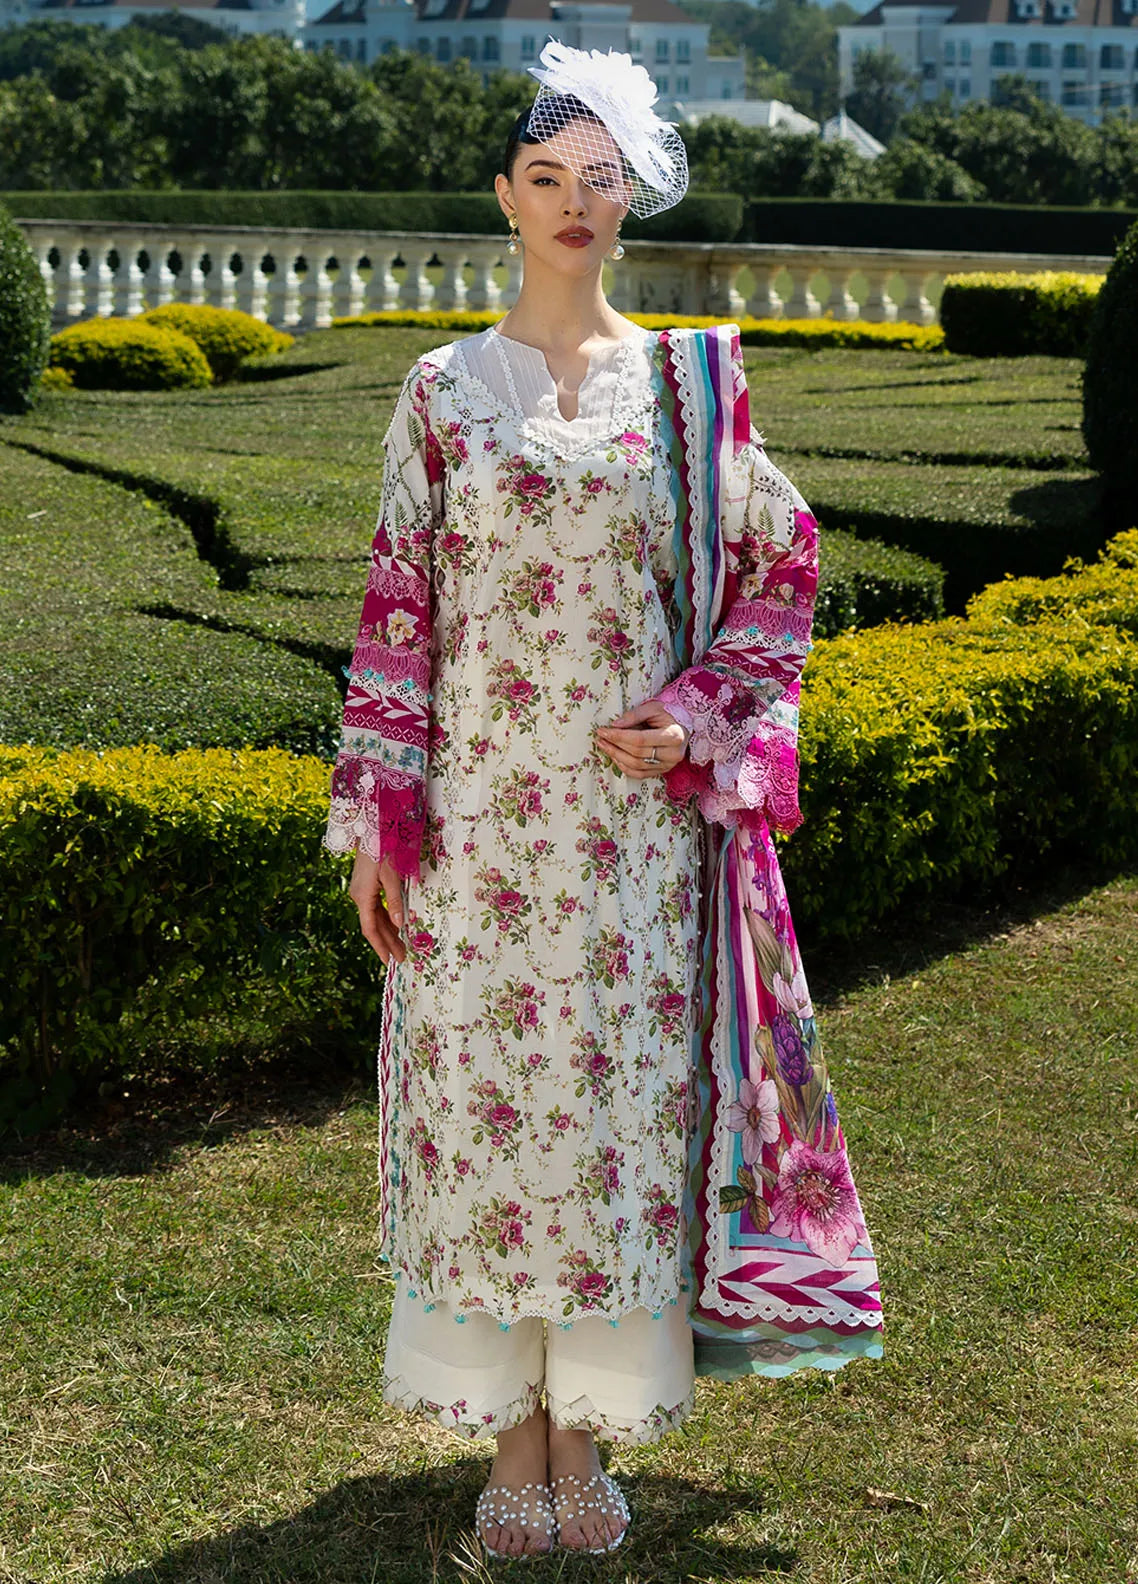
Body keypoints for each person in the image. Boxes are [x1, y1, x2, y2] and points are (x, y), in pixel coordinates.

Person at [324, 40, 884, 1562]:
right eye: (547, 177)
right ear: (505, 197)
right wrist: (380, 823)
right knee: (486, 1122)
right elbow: (397, 613)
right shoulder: (442, 393)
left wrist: (696, 713)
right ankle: (511, 1440)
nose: (575, 203)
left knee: (616, 1125)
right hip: (478, 835)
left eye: (601, 180)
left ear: (630, 201)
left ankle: (586, 1431)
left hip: (636, 849)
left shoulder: (689, 389)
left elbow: (782, 564)